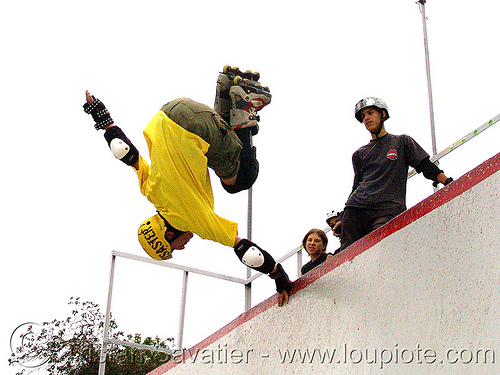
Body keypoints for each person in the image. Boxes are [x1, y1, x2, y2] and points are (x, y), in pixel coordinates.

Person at [83, 68, 292, 306]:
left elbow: (246, 251)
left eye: (175, 247)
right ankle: (226, 89)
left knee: (240, 180)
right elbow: (126, 153)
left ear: (169, 234)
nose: (183, 247)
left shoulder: (194, 221)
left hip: (195, 128)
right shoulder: (151, 192)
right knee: (222, 168)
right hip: (173, 112)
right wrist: (101, 116)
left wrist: (278, 275)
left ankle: (243, 101)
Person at [333, 97, 453, 251]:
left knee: (383, 249)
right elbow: (356, 186)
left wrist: (447, 182)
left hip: (388, 209)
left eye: (370, 113)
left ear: (383, 114)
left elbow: (425, 166)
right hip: (357, 209)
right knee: (348, 254)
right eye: (363, 116)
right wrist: (342, 217)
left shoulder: (401, 142)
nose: (366, 118)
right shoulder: (359, 154)